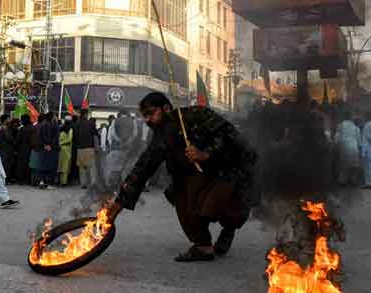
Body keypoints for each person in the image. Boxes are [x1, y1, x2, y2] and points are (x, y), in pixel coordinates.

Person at [105, 92, 257, 262]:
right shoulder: (160, 138)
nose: (147, 120)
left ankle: (228, 230)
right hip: (190, 178)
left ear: (166, 108)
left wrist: (206, 153)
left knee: (222, 207)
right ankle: (203, 246)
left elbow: (229, 135)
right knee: (183, 202)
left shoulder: (197, 114)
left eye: (151, 113)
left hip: (223, 171)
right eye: (144, 116)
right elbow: (142, 169)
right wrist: (118, 205)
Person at [334, 110, 362, 186]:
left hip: (343, 149)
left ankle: (343, 182)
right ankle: (352, 182)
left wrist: (336, 147)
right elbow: (359, 143)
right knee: (354, 167)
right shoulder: (356, 128)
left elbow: (336, 139)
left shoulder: (340, 126)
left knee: (343, 168)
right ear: (351, 118)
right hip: (354, 149)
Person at [75, 109, 98, 188]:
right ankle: (92, 183)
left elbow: (75, 136)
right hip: (89, 148)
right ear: (85, 114)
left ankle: (83, 184)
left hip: (80, 148)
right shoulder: (91, 123)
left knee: (82, 167)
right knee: (91, 167)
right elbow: (95, 135)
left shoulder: (77, 123)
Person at [38, 111, 59, 189]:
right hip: (52, 149)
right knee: (51, 166)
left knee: (43, 165)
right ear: (52, 117)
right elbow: (56, 137)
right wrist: (50, 145)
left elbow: (39, 137)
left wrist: (44, 145)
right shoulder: (55, 125)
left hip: (43, 149)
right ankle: (50, 184)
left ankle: (42, 182)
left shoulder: (41, 125)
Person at [14, 114, 35, 185]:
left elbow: (17, 140)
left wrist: (15, 146)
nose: (21, 121)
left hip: (22, 148)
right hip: (30, 148)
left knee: (21, 164)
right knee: (28, 164)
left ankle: (21, 180)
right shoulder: (33, 128)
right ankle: (28, 180)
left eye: (22, 120)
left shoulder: (22, 129)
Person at [58, 116, 74, 186]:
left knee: (60, 165)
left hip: (60, 149)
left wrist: (60, 143)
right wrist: (62, 143)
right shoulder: (70, 129)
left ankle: (59, 181)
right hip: (67, 149)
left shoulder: (60, 128)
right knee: (65, 166)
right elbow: (70, 139)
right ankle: (64, 182)